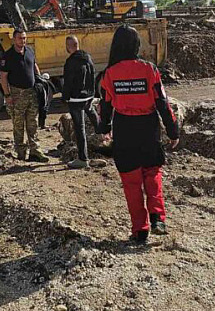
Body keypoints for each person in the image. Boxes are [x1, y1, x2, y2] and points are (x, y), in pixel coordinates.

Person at [99, 25, 179, 244]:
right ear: (136, 45)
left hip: (124, 129)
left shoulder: (110, 73)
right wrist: (173, 131)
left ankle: (140, 230)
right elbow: (163, 103)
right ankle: (157, 217)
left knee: (131, 182)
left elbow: (105, 107)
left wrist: (105, 130)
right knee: (152, 172)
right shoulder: (149, 69)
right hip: (148, 128)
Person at [0, 29, 49, 163]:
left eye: (24, 38)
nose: (23, 40)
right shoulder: (8, 56)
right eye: (20, 38)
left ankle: (35, 151)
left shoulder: (29, 51)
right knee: (18, 124)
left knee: (33, 123)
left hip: (31, 93)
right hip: (17, 95)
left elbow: (34, 65)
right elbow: (3, 77)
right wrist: (7, 95)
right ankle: (20, 153)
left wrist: (39, 80)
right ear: (14, 39)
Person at [62, 35, 99, 169]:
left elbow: (68, 83)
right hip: (88, 97)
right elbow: (92, 76)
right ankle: (108, 138)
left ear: (68, 46)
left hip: (75, 99)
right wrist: (92, 94)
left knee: (80, 129)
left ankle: (83, 159)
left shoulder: (70, 62)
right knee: (95, 119)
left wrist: (64, 98)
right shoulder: (87, 58)